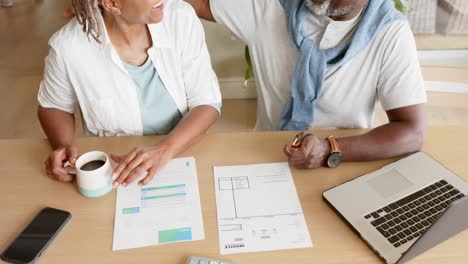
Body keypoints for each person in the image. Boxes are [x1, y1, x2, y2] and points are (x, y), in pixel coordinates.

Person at [186, 0, 427, 169]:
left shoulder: (391, 32)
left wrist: (329, 148)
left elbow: (411, 132)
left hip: (345, 162)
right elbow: (198, 3)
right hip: (268, 156)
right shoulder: (269, 6)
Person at [38, 0, 222, 187]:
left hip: (186, 149)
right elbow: (54, 106)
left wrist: (164, 149)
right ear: (111, 3)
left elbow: (207, 102)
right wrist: (62, 146)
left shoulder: (181, 17)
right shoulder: (67, 47)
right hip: (118, 169)